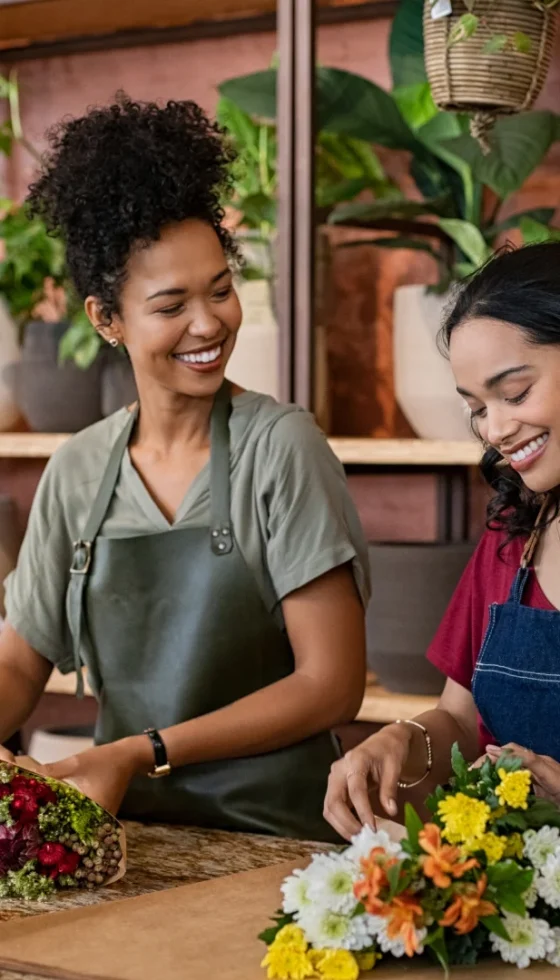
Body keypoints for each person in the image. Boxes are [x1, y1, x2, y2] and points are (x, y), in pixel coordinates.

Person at [0, 94, 370, 842]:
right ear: (107, 319)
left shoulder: (281, 447)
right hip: (130, 839)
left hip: (275, 840)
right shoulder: (77, 470)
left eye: (222, 290)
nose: (208, 324)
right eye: (171, 305)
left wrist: (142, 752)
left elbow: (331, 685)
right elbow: (17, 664)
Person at [324, 242, 560, 840]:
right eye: (477, 408)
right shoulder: (513, 543)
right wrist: (406, 740)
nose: (497, 430)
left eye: (515, 393)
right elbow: (460, 717)